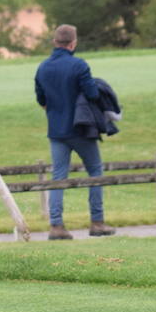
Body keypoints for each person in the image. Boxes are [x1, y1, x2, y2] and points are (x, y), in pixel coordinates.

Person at [34, 24, 115, 240]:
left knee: (58, 177)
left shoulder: (42, 68)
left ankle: (56, 226)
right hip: (81, 129)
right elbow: (91, 93)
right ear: (73, 43)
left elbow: (41, 99)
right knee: (95, 172)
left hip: (56, 131)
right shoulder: (79, 65)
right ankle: (97, 222)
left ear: (54, 42)